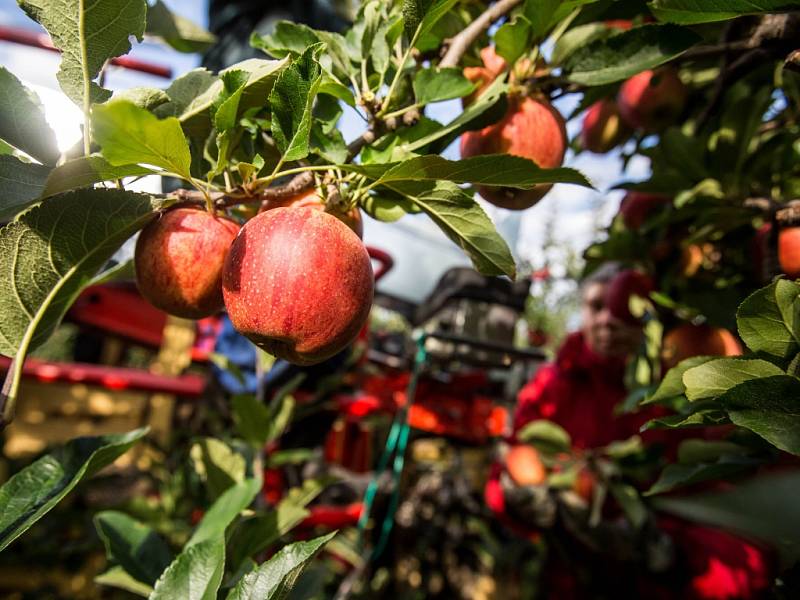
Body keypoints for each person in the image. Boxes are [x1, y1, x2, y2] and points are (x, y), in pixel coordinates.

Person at [492, 262, 772, 599]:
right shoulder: (553, 384)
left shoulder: (684, 397)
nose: (608, 320)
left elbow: (737, 525)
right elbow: (512, 461)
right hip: (566, 580)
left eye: (622, 310)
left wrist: (674, 555)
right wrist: (513, 499)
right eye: (597, 306)